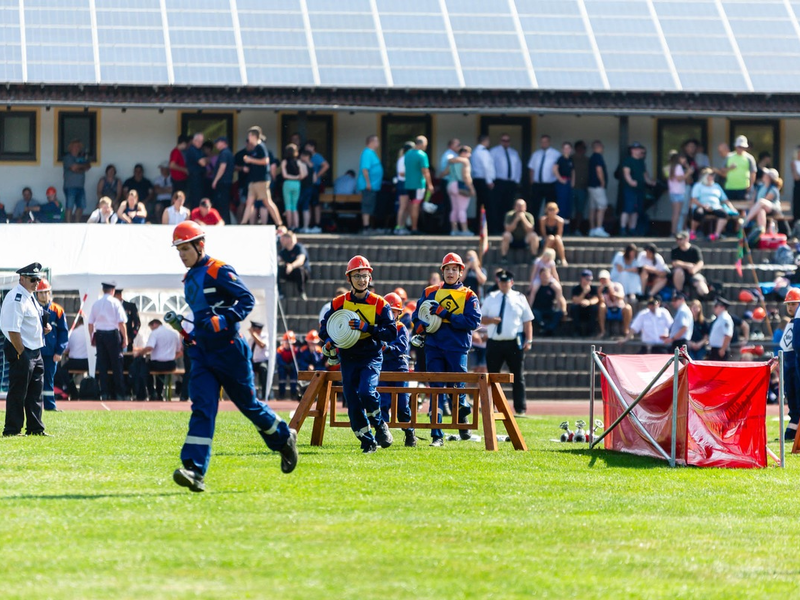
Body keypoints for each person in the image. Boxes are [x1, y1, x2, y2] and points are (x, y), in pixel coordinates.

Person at [170, 221, 297, 492]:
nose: (181, 254)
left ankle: (285, 438)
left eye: (185, 248)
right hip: (202, 353)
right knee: (202, 407)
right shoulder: (190, 277)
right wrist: (189, 332)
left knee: (249, 406)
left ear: (199, 245)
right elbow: (202, 314)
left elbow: (246, 300)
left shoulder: (219, 269)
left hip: (230, 351)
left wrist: (225, 318)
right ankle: (194, 470)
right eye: (178, 249)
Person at [319, 255, 397, 453]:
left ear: (370, 278)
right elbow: (325, 327)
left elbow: (391, 332)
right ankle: (367, 440)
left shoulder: (380, 304)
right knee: (352, 400)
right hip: (348, 356)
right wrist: (328, 340)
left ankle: (379, 425)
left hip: (370, 355)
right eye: (357, 276)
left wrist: (367, 328)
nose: (362, 280)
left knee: (366, 392)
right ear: (349, 279)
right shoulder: (338, 302)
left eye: (365, 276)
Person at [411, 253, 481, 446]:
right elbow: (416, 316)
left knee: (457, 388)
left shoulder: (469, 294)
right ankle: (437, 436)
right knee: (436, 390)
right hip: (433, 347)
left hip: (457, 348)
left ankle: (463, 416)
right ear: (442, 271)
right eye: (447, 269)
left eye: (454, 269)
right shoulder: (429, 292)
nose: (450, 272)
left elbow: (473, 321)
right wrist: (420, 325)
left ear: (460, 272)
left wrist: (446, 315)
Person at [1, 263, 50, 436]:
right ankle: (12, 430)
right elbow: (12, 329)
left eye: (38, 279)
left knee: (35, 393)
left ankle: (35, 428)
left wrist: (44, 327)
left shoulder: (29, 296)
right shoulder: (17, 298)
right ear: (21, 278)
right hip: (22, 349)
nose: (36, 282)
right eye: (32, 279)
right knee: (18, 392)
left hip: (34, 350)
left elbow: (32, 321)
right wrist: (22, 352)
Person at [481, 269, 533, 416]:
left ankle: (520, 409)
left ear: (512, 282)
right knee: (492, 376)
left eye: (506, 282)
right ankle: (491, 406)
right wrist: (491, 320)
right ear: (498, 282)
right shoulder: (491, 297)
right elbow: (480, 318)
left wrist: (528, 340)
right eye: (501, 282)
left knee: (518, 376)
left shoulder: (520, 298)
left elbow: (527, 320)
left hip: (513, 342)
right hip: (494, 342)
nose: (504, 284)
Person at [378, 292, 416, 447]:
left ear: (399, 313)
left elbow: (401, 347)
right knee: (383, 402)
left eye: (393, 311)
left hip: (399, 369)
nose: (390, 314)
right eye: (388, 310)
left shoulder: (401, 328)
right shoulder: (379, 328)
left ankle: (409, 432)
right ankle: (382, 435)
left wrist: (386, 348)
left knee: (402, 405)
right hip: (383, 368)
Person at [88, 281, 128, 400]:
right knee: (117, 365)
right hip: (112, 335)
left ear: (103, 290)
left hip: (100, 335)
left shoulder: (96, 304)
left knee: (103, 366)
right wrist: (125, 338)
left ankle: (104, 393)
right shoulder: (116, 303)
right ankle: (120, 393)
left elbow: (90, 324)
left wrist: (91, 337)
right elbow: (121, 323)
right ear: (113, 291)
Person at [34, 278, 68, 412]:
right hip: (35, 351)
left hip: (51, 353)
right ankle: (32, 406)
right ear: (36, 294)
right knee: (33, 380)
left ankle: (50, 405)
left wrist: (59, 351)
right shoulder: (32, 308)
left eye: (46, 292)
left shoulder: (57, 310)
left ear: (50, 292)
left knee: (49, 379)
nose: (44, 295)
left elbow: (63, 333)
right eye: (41, 292)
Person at [138, 319, 182, 401]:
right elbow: (180, 351)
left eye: (151, 328)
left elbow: (150, 347)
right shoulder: (173, 334)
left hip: (157, 364)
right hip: (171, 364)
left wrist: (140, 353)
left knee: (145, 369)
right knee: (160, 375)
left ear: (154, 324)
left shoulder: (155, 333)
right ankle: (159, 393)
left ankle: (152, 392)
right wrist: (171, 356)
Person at [689, 168, 735, 241]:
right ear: (705, 176)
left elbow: (725, 199)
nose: (712, 177)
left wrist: (732, 209)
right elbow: (694, 199)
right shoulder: (698, 185)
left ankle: (716, 234)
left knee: (724, 214)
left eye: (713, 175)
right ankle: (692, 232)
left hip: (715, 207)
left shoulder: (716, 186)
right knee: (698, 213)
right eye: (710, 175)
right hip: (702, 206)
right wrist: (703, 206)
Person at [489, 134, 522, 234]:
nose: (505, 142)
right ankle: (496, 228)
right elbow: (490, 167)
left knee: (509, 205)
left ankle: (507, 228)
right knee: (497, 205)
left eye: (507, 140)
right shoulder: (494, 151)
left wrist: (517, 180)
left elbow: (518, 167)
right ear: (500, 141)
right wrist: (491, 180)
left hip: (511, 183)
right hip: (499, 182)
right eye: (504, 140)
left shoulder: (514, 152)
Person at [620, 142, 655, 236]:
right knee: (628, 209)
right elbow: (626, 173)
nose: (638, 150)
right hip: (630, 189)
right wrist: (630, 181)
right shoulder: (628, 160)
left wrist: (651, 182)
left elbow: (645, 176)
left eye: (639, 149)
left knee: (636, 211)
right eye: (636, 149)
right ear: (632, 150)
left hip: (640, 189)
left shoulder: (641, 162)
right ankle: (623, 228)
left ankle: (632, 229)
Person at [780, 288, 800, 441]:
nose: (790, 307)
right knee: (791, 395)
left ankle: (795, 431)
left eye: (794, 304)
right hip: (788, 367)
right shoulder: (790, 323)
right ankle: (792, 430)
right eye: (789, 304)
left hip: (795, 365)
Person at [404, 135, 434, 235]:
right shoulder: (422, 155)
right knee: (415, 206)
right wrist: (430, 184)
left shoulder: (407, 154)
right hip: (418, 185)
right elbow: (425, 171)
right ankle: (414, 228)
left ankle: (408, 226)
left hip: (408, 184)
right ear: (421, 144)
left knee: (409, 205)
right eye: (425, 144)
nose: (426, 146)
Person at [528, 134, 560, 219]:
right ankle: (534, 228)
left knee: (550, 207)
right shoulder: (536, 154)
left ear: (549, 142)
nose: (544, 143)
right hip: (537, 184)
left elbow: (559, 169)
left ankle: (548, 228)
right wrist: (532, 181)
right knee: (535, 206)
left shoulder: (556, 154)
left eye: (545, 142)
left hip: (550, 184)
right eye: (542, 142)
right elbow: (531, 168)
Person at [444, 145, 474, 236]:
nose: (470, 155)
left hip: (450, 185)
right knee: (462, 209)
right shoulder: (465, 161)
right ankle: (465, 230)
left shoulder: (453, 161)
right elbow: (466, 176)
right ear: (464, 153)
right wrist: (472, 188)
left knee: (454, 209)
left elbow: (444, 173)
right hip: (460, 186)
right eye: (469, 153)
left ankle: (454, 230)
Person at [741, 168, 783, 232]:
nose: (763, 175)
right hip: (761, 208)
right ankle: (761, 232)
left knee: (761, 202)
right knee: (761, 211)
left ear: (769, 177)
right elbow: (754, 200)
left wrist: (754, 208)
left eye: (766, 174)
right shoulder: (760, 186)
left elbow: (765, 200)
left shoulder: (773, 189)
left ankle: (746, 220)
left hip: (774, 210)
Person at [358, 135, 384, 234]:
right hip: (368, 186)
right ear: (372, 142)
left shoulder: (372, 153)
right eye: (377, 141)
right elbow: (365, 169)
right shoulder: (367, 153)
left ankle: (369, 227)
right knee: (367, 205)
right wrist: (368, 183)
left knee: (371, 206)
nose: (378, 143)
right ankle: (366, 227)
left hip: (373, 186)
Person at [671, 231, 710, 298]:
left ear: (687, 239)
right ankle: (679, 293)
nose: (678, 241)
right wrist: (687, 265)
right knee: (678, 271)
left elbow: (700, 262)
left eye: (680, 239)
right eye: (677, 239)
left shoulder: (695, 249)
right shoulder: (675, 250)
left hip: (693, 275)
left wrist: (694, 269)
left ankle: (706, 296)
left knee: (700, 282)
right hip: (680, 276)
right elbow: (675, 263)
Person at [500, 199, 539, 264]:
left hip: (525, 239)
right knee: (506, 235)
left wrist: (523, 219)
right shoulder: (509, 215)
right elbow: (508, 229)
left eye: (522, 206)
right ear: (514, 207)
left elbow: (530, 229)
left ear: (525, 207)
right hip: (512, 239)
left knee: (533, 235)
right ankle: (504, 257)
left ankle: (533, 257)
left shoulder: (529, 216)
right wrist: (516, 220)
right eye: (518, 206)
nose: (520, 208)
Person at [597, 269, 632, 339]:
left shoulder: (617, 285)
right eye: (601, 279)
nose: (603, 281)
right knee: (601, 307)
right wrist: (599, 293)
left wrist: (612, 292)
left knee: (628, 307)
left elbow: (621, 296)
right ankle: (603, 331)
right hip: (608, 309)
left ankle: (626, 330)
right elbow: (601, 302)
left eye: (604, 279)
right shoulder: (601, 289)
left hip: (619, 308)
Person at [63, 138, 91, 223]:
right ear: (70, 148)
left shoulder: (82, 157)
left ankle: (77, 222)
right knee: (69, 206)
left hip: (80, 186)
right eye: (75, 146)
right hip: (70, 186)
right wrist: (82, 167)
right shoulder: (68, 157)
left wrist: (79, 167)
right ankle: (68, 223)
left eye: (78, 147)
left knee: (81, 206)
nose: (77, 148)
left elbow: (88, 166)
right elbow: (73, 167)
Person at [281, 143, 308, 231]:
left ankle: (290, 225)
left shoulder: (284, 162)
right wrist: (297, 177)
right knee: (294, 206)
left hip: (287, 183)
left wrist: (291, 177)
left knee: (288, 206)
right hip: (297, 184)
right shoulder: (299, 162)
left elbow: (284, 175)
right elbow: (303, 174)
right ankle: (296, 226)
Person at [531, 268, 565, 337]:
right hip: (538, 309)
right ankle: (545, 327)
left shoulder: (553, 287)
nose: (545, 277)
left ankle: (548, 328)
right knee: (534, 312)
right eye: (543, 275)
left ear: (550, 276)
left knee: (559, 313)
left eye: (546, 275)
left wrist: (563, 310)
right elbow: (531, 298)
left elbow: (560, 298)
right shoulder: (536, 287)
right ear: (539, 276)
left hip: (549, 309)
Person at [470, 134, 495, 228]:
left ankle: (478, 226)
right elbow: (486, 167)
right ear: (485, 141)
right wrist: (489, 181)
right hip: (483, 180)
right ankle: (487, 227)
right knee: (487, 204)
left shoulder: (476, 151)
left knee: (480, 204)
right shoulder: (483, 152)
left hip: (477, 180)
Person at [721, 135, 756, 202]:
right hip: (730, 187)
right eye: (739, 147)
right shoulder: (729, 156)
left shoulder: (749, 158)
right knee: (730, 208)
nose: (740, 149)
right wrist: (729, 168)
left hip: (743, 187)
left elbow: (753, 173)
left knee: (743, 209)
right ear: (735, 146)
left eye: (742, 147)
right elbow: (722, 169)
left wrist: (750, 186)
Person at [304, 140, 329, 232]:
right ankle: (311, 224)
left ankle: (317, 225)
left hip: (315, 184)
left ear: (312, 147)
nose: (306, 149)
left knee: (316, 204)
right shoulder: (307, 157)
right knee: (309, 204)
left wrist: (317, 175)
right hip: (307, 184)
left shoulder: (317, 156)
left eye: (307, 147)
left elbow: (326, 165)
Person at [278, 231, 311, 301]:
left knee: (298, 269)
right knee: (277, 270)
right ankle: (279, 292)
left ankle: (301, 292)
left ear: (289, 239)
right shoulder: (284, 251)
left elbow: (301, 260)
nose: (281, 242)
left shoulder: (299, 247)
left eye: (283, 240)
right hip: (290, 273)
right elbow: (278, 259)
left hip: (302, 273)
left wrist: (291, 266)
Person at [666, 150, 693, 236]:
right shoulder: (677, 167)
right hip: (678, 192)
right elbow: (679, 179)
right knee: (677, 213)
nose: (684, 159)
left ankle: (675, 231)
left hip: (673, 192)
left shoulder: (670, 167)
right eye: (682, 158)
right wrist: (688, 173)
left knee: (676, 213)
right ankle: (673, 232)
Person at [587, 140, 609, 237]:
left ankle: (592, 229)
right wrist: (602, 181)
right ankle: (599, 228)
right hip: (597, 186)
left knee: (593, 208)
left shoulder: (592, 157)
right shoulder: (598, 157)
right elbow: (599, 169)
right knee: (602, 207)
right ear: (599, 147)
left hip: (591, 186)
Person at [569, 269, 600, 337]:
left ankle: (591, 332)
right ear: (582, 278)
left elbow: (596, 299)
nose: (589, 281)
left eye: (590, 279)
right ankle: (577, 331)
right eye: (587, 279)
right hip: (579, 309)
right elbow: (575, 300)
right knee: (574, 307)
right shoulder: (576, 288)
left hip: (589, 309)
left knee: (594, 308)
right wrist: (584, 293)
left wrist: (589, 302)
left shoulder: (593, 288)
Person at [210, 137, 234, 224]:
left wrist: (215, 180)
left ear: (223, 143)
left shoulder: (224, 153)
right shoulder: (228, 153)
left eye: (217, 143)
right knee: (224, 204)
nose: (216, 145)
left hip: (222, 183)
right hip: (226, 182)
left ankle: (224, 223)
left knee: (222, 205)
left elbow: (222, 167)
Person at [394, 141, 414, 235]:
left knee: (407, 207)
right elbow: (401, 173)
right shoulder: (403, 159)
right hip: (403, 183)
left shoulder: (406, 158)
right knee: (402, 206)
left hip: (407, 184)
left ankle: (403, 225)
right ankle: (398, 226)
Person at [553, 142, 575, 232]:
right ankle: (560, 229)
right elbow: (554, 169)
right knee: (561, 206)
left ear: (571, 149)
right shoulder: (560, 159)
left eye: (568, 148)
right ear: (562, 149)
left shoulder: (570, 159)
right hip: (562, 184)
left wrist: (573, 182)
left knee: (568, 207)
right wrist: (560, 179)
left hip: (569, 183)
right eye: (565, 148)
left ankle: (566, 229)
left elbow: (573, 171)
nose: (566, 150)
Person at [185, 133, 208, 210]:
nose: (200, 143)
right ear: (194, 141)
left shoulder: (199, 150)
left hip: (201, 178)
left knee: (200, 200)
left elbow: (208, 160)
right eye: (198, 141)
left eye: (202, 141)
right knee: (195, 200)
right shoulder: (192, 150)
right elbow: (203, 162)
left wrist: (206, 159)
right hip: (194, 179)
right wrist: (206, 159)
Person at [113, 288, 140, 354]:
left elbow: (137, 323)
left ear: (119, 295)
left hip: (127, 338)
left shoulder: (130, 306)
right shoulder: (110, 306)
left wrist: (131, 337)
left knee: (127, 360)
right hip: (113, 339)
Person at [248, 321, 270, 401]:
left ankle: (265, 394)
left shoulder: (265, 337)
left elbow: (262, 345)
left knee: (263, 369)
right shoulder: (251, 340)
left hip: (262, 361)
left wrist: (254, 334)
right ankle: (249, 394)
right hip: (253, 362)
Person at [571, 140, 589, 235]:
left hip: (582, 188)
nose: (583, 150)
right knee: (569, 210)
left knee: (580, 211)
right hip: (571, 189)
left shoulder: (587, 160)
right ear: (576, 148)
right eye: (582, 148)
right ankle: (567, 229)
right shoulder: (571, 158)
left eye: (584, 148)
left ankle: (577, 229)